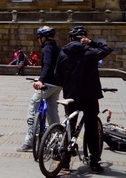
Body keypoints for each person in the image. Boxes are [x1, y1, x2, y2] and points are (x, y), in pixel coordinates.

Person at [54, 26, 112, 174]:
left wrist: (66, 85)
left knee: (70, 126)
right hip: (89, 96)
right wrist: (91, 42)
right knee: (91, 127)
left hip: (71, 96)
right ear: (83, 39)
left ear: (71, 39)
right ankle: (94, 162)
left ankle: (65, 161)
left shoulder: (63, 52)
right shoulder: (90, 52)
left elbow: (57, 74)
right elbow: (107, 49)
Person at [17, 26, 62, 152]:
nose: (38, 40)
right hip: (57, 84)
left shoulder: (47, 48)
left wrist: (41, 79)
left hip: (47, 84)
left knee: (33, 107)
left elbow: (47, 64)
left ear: (43, 38)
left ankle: (30, 141)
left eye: (38, 37)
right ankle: (57, 140)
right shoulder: (57, 48)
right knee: (53, 113)